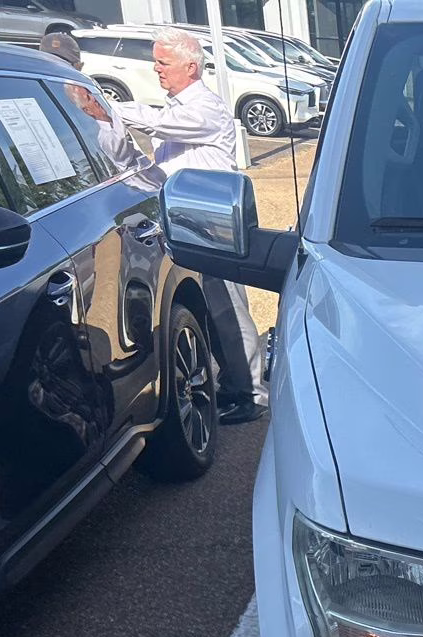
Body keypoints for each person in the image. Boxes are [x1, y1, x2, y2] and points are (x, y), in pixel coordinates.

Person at [75, 27, 267, 425]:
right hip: (185, 222)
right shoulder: (176, 112)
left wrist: (109, 108)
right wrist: (108, 128)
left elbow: (161, 123)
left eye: (163, 62)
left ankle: (251, 393)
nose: (156, 68)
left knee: (228, 310)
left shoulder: (204, 109)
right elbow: (149, 167)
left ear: (191, 66)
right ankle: (232, 384)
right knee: (211, 311)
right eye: (157, 61)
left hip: (212, 224)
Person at [39, 31, 146, 175]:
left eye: (62, 65)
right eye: (47, 62)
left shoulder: (90, 99)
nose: (52, 70)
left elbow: (121, 156)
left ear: (79, 67)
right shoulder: (30, 94)